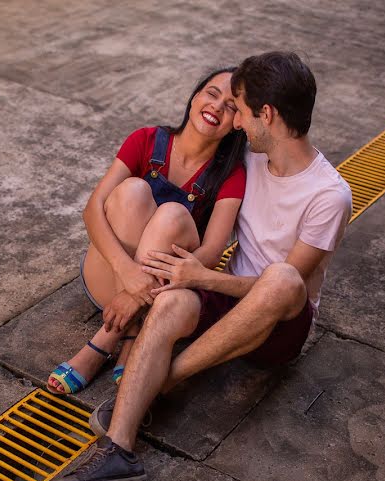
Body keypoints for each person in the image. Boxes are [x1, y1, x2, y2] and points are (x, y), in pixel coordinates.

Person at [48, 51, 352, 481]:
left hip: (279, 322)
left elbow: (292, 290)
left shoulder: (329, 194)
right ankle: (118, 451)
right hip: (226, 299)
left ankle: (160, 382)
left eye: (243, 110)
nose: (238, 124)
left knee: (283, 277)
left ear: (266, 114)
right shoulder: (249, 163)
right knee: (169, 300)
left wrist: (205, 278)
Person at [45, 67, 247, 396]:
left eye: (231, 106)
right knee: (133, 191)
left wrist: (138, 293)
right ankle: (130, 336)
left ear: (238, 122)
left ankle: (106, 341)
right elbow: (92, 209)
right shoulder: (147, 139)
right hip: (107, 278)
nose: (217, 107)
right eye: (212, 94)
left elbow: (210, 253)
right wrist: (128, 275)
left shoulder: (231, 174)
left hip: (161, 298)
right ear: (195, 96)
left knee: (171, 215)